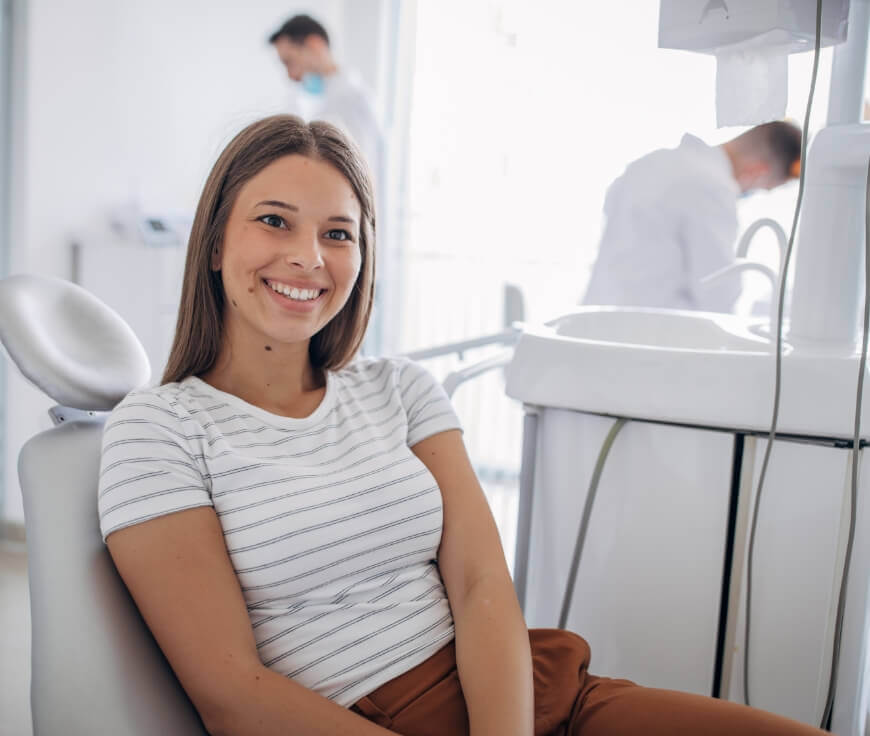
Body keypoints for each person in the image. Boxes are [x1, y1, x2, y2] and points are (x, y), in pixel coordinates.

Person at [97, 115, 824, 735]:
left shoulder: (400, 389)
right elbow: (230, 693)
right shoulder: (160, 429)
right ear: (216, 243)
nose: (309, 257)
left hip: (525, 696)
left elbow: (481, 584)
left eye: (339, 233)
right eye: (274, 220)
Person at [582, 121, 802, 312]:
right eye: (765, 188)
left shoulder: (651, 163)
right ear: (758, 171)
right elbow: (718, 293)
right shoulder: (712, 187)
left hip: (594, 320)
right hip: (645, 336)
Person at [269, 14, 383, 185]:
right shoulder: (309, 98)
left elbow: (361, 172)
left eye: (289, 61)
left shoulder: (354, 99)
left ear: (315, 44)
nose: (290, 75)